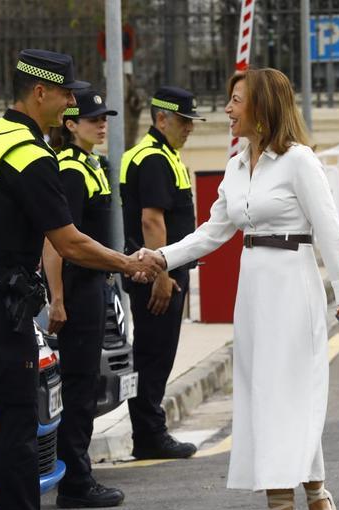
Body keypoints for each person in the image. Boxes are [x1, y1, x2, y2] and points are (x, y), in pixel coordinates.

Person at [0, 50, 160, 510]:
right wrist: (127, 264)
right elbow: (69, 242)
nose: (69, 104)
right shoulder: (29, 156)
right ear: (39, 94)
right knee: (16, 421)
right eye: (64, 95)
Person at [144, 67, 339, 510]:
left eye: (236, 101)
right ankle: (300, 508)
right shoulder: (237, 164)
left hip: (294, 285)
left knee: (292, 400)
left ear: (263, 107)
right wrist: (161, 257)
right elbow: (213, 231)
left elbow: (330, 232)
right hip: (255, 291)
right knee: (263, 401)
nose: (226, 109)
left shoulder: (298, 162)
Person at [43, 90, 125, 508]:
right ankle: (75, 478)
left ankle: (79, 468)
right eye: (92, 118)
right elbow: (58, 240)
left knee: (86, 381)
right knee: (78, 384)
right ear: (70, 125)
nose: (101, 123)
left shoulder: (88, 165)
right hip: (77, 287)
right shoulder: (71, 170)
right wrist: (57, 298)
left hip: (94, 285)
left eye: (103, 117)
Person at [119, 86, 204, 460]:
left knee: (158, 353)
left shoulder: (163, 155)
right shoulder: (152, 158)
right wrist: (163, 276)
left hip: (164, 273)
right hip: (156, 276)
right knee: (153, 354)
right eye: (184, 121)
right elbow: (152, 221)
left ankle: (149, 429)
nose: (190, 128)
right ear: (161, 119)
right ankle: (149, 432)